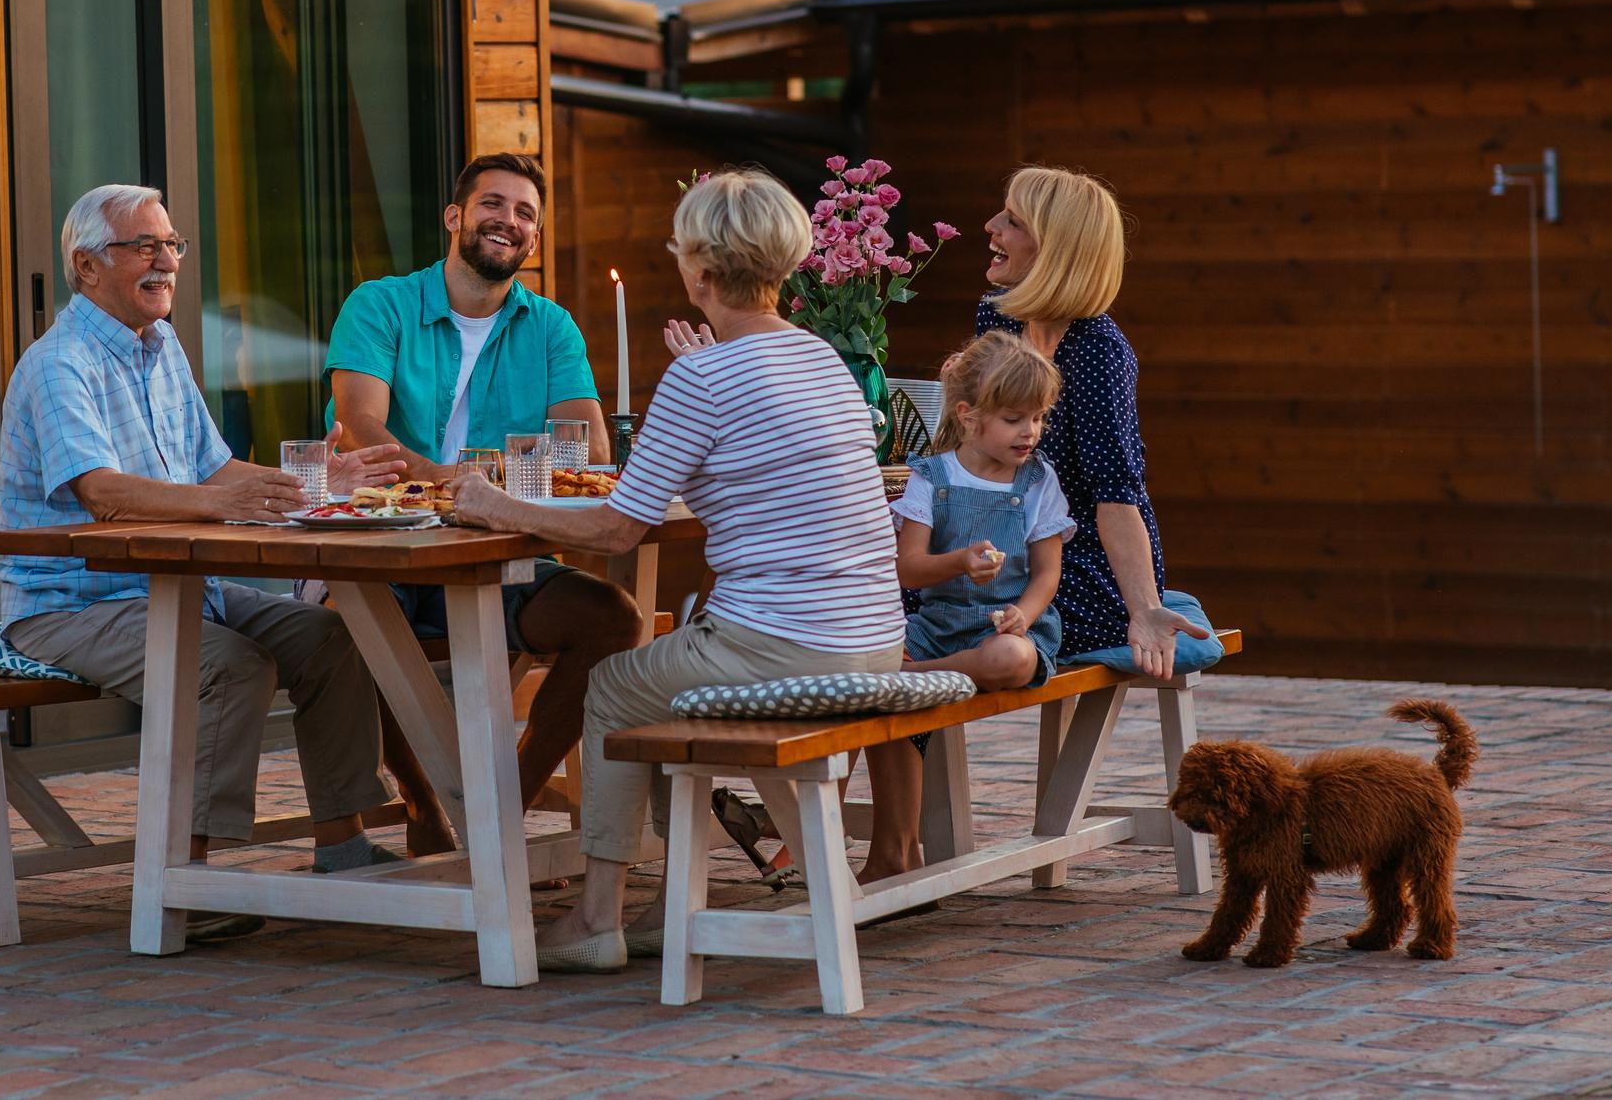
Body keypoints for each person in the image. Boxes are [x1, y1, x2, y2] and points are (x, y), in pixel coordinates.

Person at [448, 167, 905, 973]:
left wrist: (497, 506)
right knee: (661, 675)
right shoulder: (824, 360)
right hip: (874, 639)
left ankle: (595, 917)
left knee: (616, 682)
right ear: (785, 265)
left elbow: (620, 524)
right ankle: (669, 905)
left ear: (696, 269)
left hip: (786, 649)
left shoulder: (702, 376)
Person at [0, 183, 407, 940]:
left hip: (181, 587)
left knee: (332, 637)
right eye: (144, 246)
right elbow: (104, 493)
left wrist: (313, 485)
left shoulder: (160, 347)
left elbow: (215, 472)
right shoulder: (60, 363)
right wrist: (236, 504)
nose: (166, 261)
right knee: (228, 663)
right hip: (70, 607)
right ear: (87, 267)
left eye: (172, 244)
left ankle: (343, 846)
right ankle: (187, 875)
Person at [325, 152, 646, 842]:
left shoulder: (551, 326)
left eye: (525, 212)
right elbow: (362, 426)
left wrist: (488, 487)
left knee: (614, 619)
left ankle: (502, 812)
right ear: (455, 216)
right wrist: (462, 484)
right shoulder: (380, 303)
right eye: (493, 204)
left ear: (535, 236)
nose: (509, 220)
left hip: (498, 556)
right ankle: (421, 802)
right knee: (343, 621)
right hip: (387, 545)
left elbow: (587, 449)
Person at [976, 165, 1219, 679]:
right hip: (1006, 533)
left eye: (1013, 221)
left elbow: (1117, 494)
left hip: (1080, 558)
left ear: (1055, 250)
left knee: (936, 612)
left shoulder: (1097, 352)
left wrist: (1144, 608)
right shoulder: (996, 317)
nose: (991, 226)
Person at [859, 331, 1075, 883]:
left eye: (1038, 418)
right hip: (939, 621)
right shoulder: (933, 477)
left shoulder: (1037, 480)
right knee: (878, 682)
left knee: (1012, 661)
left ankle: (916, 677)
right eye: (1013, 419)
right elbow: (908, 567)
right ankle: (896, 853)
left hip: (1004, 625)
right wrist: (957, 561)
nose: (1030, 432)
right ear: (969, 415)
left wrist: (1024, 615)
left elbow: (1047, 571)